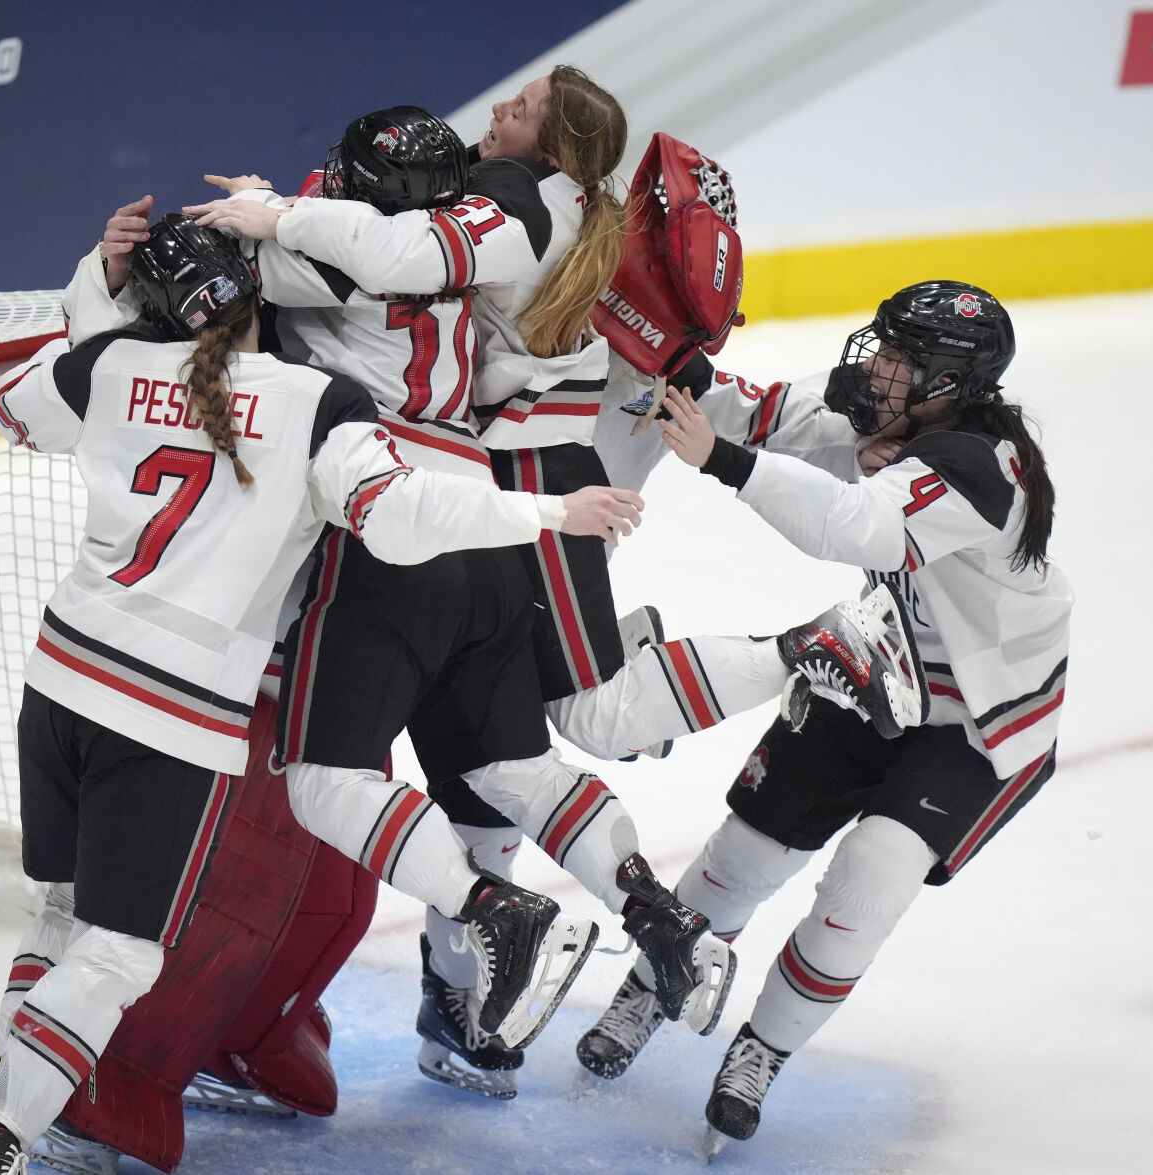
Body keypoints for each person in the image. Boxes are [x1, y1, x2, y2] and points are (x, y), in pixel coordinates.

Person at [185, 77, 925, 1097]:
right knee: (507, 763)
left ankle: (794, 653)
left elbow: (383, 257)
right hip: (509, 541)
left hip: (462, 525)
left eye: (524, 109)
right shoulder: (630, 321)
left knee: (542, 734)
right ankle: (474, 1004)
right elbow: (745, 408)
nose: (501, 116)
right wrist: (868, 422)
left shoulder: (506, 217)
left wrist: (270, 214)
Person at [0, 215, 642, 1175]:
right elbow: (400, 517)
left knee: (56, 911)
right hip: (169, 717)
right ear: (258, 296)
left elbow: (11, 409)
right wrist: (550, 509)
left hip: (58, 683)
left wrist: (98, 290)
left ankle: (8, 1088)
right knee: (122, 953)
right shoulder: (317, 399)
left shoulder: (105, 365)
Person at [576, 281, 1073, 1159]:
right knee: (743, 852)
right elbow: (760, 412)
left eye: (897, 358)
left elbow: (862, 530)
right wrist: (657, 345)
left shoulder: (978, 464)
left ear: (948, 383)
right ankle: (649, 991)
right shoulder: (892, 414)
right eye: (879, 345)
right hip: (875, 665)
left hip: (982, 726)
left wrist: (722, 462)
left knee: (869, 880)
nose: (873, 365)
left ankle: (760, 1051)